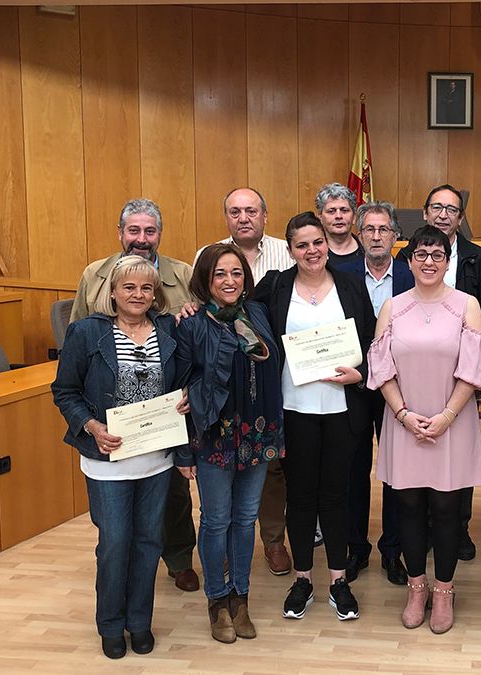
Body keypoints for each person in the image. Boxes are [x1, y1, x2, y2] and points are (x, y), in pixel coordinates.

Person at [52, 255, 183, 659]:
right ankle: (110, 624)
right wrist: (91, 426)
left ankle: (139, 622)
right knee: (114, 542)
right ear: (112, 292)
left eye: (146, 288)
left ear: (155, 293)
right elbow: (65, 391)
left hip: (156, 459)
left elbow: (187, 376)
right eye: (129, 287)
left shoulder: (168, 329)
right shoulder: (86, 333)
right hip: (107, 461)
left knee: (148, 541)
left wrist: (188, 399)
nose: (138, 295)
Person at [68, 199, 199, 594]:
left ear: (159, 234)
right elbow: (76, 333)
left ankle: (178, 558)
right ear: (121, 232)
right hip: (111, 416)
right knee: (116, 518)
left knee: (173, 494)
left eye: (150, 231)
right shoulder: (95, 274)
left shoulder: (183, 274)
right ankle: (116, 569)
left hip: (162, 420)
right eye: (133, 231)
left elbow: (197, 337)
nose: (141, 239)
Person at [254, 212, 376, 621]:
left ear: (328, 243)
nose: (312, 251)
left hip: (342, 409)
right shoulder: (275, 286)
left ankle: (339, 580)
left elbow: (373, 340)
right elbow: (239, 317)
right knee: (301, 496)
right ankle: (304, 578)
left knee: (337, 496)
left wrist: (362, 376)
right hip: (294, 409)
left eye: (317, 242)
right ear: (290, 249)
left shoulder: (350, 284)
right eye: (302, 244)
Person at [368, 225, 481, 635]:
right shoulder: (393, 307)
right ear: (409, 259)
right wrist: (404, 415)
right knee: (409, 508)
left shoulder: (467, 305)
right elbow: (381, 368)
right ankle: (416, 586)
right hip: (404, 422)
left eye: (437, 254)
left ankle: (443, 590)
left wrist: (445, 417)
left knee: (446, 510)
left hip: (451, 423)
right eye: (421, 254)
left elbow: (473, 371)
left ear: (448, 260)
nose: (429, 262)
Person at [173, 243, 284, 643]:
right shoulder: (190, 323)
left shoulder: (257, 313)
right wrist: (184, 452)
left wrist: (277, 431)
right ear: (205, 279)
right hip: (213, 437)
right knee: (216, 520)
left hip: (257, 434)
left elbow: (274, 370)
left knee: (246, 519)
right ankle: (217, 600)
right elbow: (179, 391)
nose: (230, 281)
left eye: (236, 273)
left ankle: (241, 597)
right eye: (220, 273)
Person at [196, 186, 296, 577]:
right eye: (235, 211)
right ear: (227, 217)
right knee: (219, 498)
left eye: (251, 210)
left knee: (268, 475)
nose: (243, 218)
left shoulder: (282, 253)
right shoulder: (209, 253)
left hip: (262, 386)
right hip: (221, 399)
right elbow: (198, 301)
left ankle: (273, 541)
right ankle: (219, 554)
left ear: (264, 215)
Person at [396, 183, 481, 560]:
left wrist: (451, 410)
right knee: (409, 495)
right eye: (435, 206)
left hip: (454, 396)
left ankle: (458, 532)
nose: (443, 214)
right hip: (410, 394)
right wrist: (403, 412)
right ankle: (413, 551)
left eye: (451, 209)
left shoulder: (475, 261)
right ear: (424, 213)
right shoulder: (403, 279)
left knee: (452, 488)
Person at [336, 202, 412, 585]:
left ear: (396, 236)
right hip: (353, 385)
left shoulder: (413, 274)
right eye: (370, 230)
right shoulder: (341, 275)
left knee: (396, 471)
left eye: (384, 229)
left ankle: (393, 550)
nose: (377, 236)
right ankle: (355, 549)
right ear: (359, 235)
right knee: (353, 470)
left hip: (400, 386)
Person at [317, 182, 363, 265]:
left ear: (354, 217)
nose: (338, 216)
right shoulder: (313, 254)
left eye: (344, 210)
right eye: (331, 211)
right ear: (320, 218)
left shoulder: (368, 251)